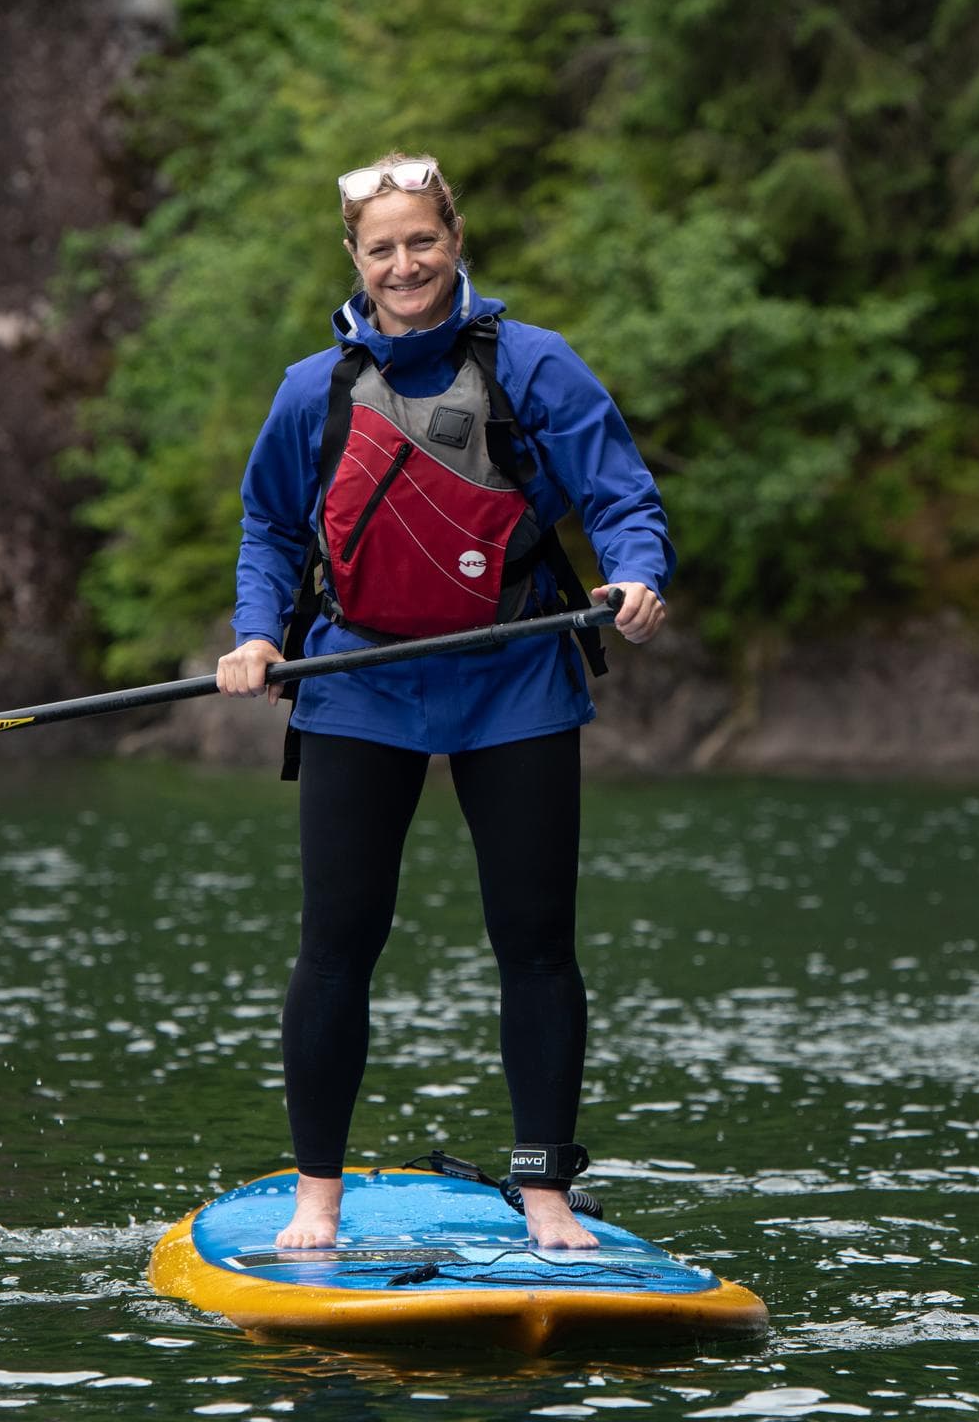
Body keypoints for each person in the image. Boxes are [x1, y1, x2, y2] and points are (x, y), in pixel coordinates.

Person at [213, 152, 672, 1252]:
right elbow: (271, 529)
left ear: (454, 240)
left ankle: (546, 1191)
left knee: (535, 940)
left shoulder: (535, 364)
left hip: (513, 681)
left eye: (422, 240)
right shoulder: (309, 390)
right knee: (338, 939)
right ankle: (315, 1195)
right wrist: (255, 633)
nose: (405, 262)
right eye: (384, 247)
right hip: (357, 682)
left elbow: (621, 492)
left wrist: (637, 573)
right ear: (356, 261)